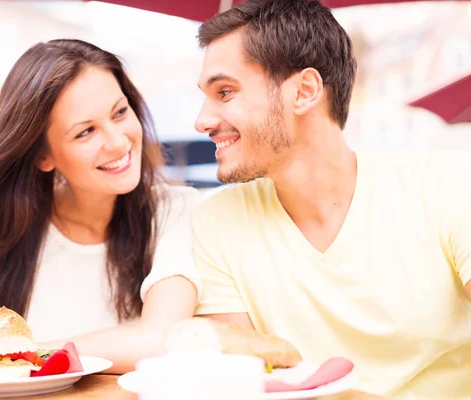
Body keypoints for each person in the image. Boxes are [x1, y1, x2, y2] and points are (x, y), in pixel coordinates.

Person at [190, 0, 471, 398]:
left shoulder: (446, 186)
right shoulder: (216, 222)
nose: (201, 120)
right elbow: (245, 381)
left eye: (225, 91)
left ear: (304, 91)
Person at [0, 39, 201, 373]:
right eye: (85, 132)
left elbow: (161, 342)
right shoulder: (2, 231)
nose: (118, 141)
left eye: (120, 112)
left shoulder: (175, 209)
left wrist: (20, 354)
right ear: (43, 155)